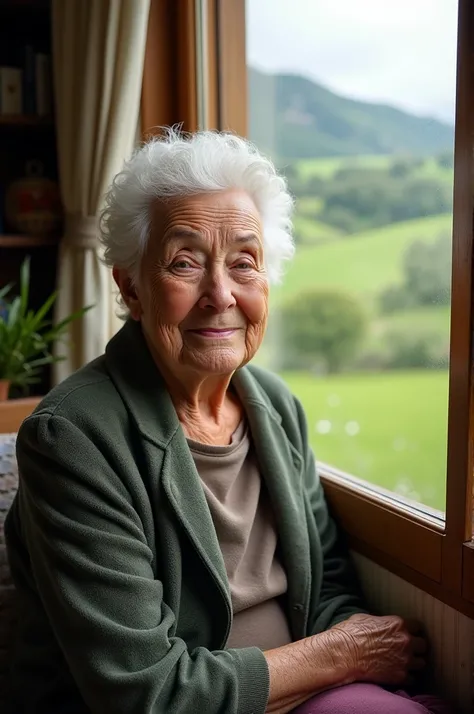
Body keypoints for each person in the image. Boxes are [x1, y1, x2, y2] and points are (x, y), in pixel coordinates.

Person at [5, 130, 451, 714]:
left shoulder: (273, 403)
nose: (220, 294)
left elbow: (328, 583)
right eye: (184, 262)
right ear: (131, 287)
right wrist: (341, 657)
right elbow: (143, 693)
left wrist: (361, 662)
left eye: (244, 262)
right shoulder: (72, 439)